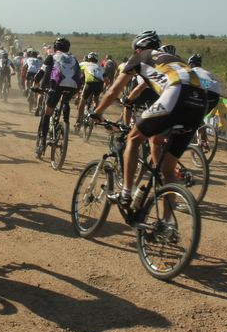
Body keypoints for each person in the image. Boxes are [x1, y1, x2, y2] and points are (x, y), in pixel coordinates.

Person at [92, 30, 215, 208]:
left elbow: (113, 91)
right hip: (200, 101)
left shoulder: (140, 57)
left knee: (133, 138)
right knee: (168, 167)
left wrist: (97, 112)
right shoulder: (174, 59)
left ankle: (126, 194)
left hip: (177, 93)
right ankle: (167, 224)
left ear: (138, 48)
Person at [32, 37, 81, 156]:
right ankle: (65, 123)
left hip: (56, 87)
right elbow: (79, 75)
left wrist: (35, 85)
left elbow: (41, 73)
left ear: (55, 47)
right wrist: (78, 92)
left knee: (47, 114)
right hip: (73, 87)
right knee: (65, 102)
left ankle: (42, 144)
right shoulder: (74, 58)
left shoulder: (52, 57)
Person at [75, 52, 104, 129]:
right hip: (100, 84)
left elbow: (76, 71)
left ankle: (78, 121)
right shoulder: (100, 67)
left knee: (82, 101)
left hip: (89, 83)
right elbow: (106, 77)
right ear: (96, 60)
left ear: (88, 59)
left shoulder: (84, 64)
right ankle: (97, 115)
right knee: (96, 99)